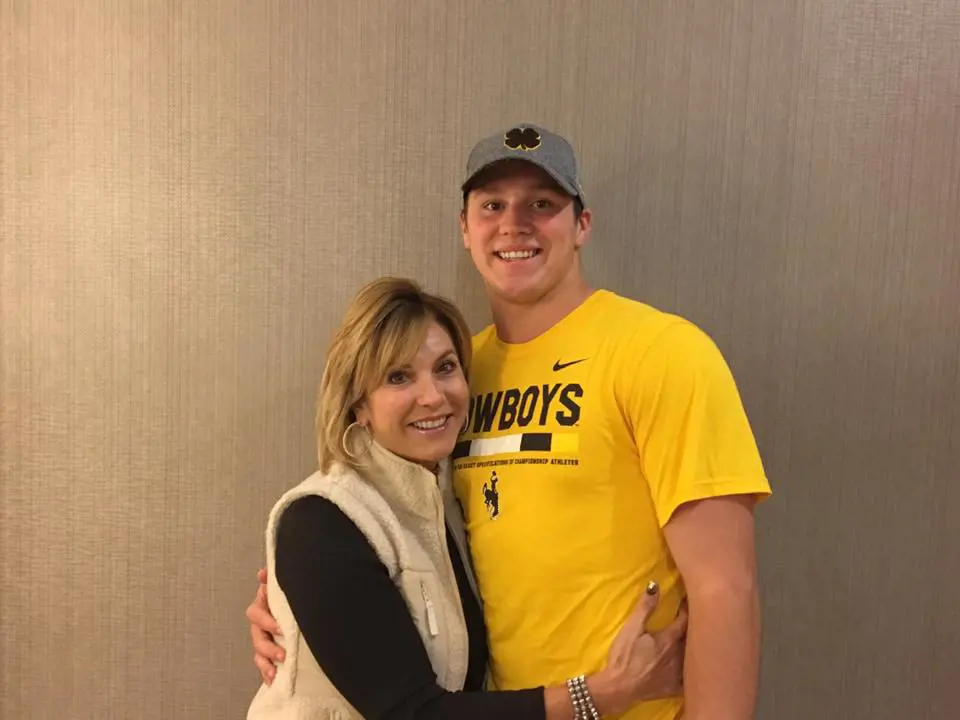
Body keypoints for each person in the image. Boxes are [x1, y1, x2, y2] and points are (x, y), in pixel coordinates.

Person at [248, 124, 772, 720]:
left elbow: (727, 591)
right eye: (492, 204)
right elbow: (397, 519)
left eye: (542, 204)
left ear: (582, 225)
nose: (514, 223)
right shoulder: (455, 378)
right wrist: (291, 606)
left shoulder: (663, 353)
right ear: (465, 229)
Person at [246, 276, 687, 720]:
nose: (433, 397)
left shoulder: (453, 498)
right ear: (358, 403)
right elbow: (413, 713)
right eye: (398, 377)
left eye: (445, 367)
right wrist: (599, 694)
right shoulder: (321, 522)